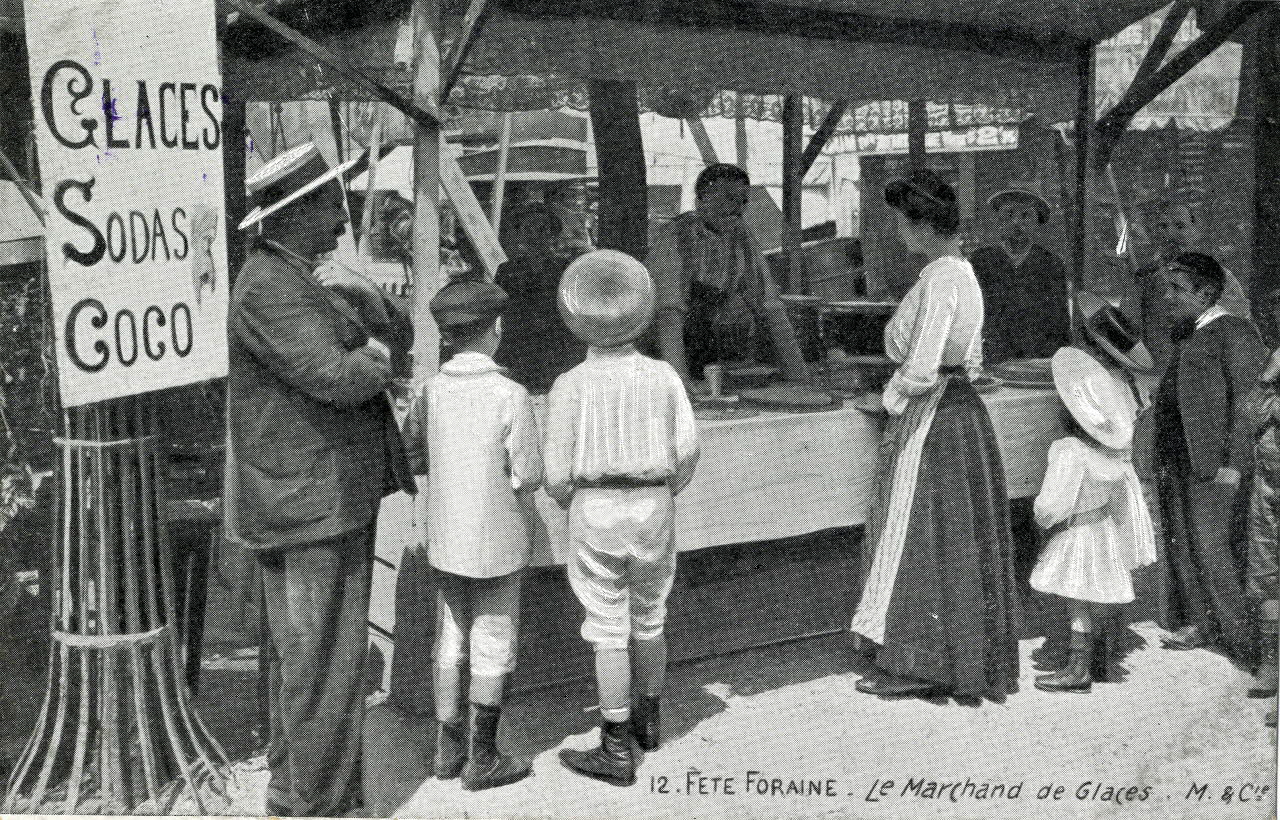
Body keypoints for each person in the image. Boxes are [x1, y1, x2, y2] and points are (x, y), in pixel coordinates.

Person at [225, 143, 414, 817]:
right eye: (329, 205)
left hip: (311, 497)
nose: (340, 220)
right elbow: (340, 375)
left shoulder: (294, 278)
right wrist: (377, 354)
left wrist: (365, 301)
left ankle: (293, 793)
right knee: (328, 663)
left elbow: (390, 329)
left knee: (305, 659)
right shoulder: (272, 286)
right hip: (311, 502)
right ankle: (325, 806)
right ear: (292, 213)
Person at [849, 169, 1021, 701]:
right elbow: (972, 356)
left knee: (917, 531)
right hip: (959, 409)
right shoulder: (961, 272)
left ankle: (920, 662)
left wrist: (887, 400)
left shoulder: (942, 278)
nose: (899, 232)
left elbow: (922, 367)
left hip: (934, 416)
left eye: (902, 222)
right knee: (945, 533)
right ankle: (946, 654)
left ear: (922, 225)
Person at [545, 250, 699, 786]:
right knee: (651, 615)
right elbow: (687, 452)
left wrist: (573, 498)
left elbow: (555, 473)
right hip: (654, 504)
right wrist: (663, 490)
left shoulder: (569, 384)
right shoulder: (664, 376)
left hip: (595, 507)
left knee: (608, 626)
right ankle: (649, 721)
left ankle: (614, 745)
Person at [401, 277, 542, 791]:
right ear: (496, 329)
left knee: (450, 637)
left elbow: (413, 454)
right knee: (492, 640)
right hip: (498, 541)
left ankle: (447, 748)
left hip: (445, 541)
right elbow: (529, 474)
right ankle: (482, 758)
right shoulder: (511, 394)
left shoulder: (430, 392)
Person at [1154, 252, 1265, 663]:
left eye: (1177, 289)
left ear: (1206, 294)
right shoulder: (1189, 332)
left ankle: (1248, 645)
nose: (1167, 297)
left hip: (1215, 466)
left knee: (1218, 551)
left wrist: (1234, 465)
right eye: (1166, 288)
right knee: (1186, 546)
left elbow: (1249, 403)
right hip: (1180, 458)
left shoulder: (1234, 331)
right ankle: (1204, 623)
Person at [1030, 347, 1157, 694]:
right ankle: (1100, 658)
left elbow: (1050, 506)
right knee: (1097, 596)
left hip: (1077, 533)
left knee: (1077, 602)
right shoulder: (1115, 458)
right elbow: (1126, 504)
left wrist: (1042, 518)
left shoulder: (1069, 452)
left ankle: (1078, 668)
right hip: (1104, 532)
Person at [646, 163, 808, 390]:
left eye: (743, 201)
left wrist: (800, 376)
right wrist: (679, 382)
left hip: (702, 351)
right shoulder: (677, 236)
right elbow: (668, 316)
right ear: (701, 201)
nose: (737, 209)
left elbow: (770, 308)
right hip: (660, 354)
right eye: (729, 198)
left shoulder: (741, 237)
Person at [1121, 197, 1252, 376]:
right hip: (1154, 377)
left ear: (1195, 231)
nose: (1170, 234)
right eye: (1163, 226)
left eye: (1180, 226)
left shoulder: (1220, 278)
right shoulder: (1145, 278)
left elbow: (1240, 335)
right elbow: (1129, 330)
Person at [494, 202, 587, 393]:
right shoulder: (507, 271)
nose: (535, 235)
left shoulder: (566, 269)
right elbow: (501, 315)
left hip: (558, 353)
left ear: (551, 234)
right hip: (521, 354)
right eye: (528, 229)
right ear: (520, 234)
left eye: (542, 229)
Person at [970, 189, 1071, 363]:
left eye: (1025, 216)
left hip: (1036, 359)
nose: (1016, 222)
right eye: (1009, 215)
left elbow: (1060, 323)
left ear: (1037, 224)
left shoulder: (1051, 264)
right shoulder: (980, 260)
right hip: (990, 358)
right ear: (999, 222)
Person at [1245, 329, 1280, 726]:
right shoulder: (1276, 360)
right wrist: (1269, 376)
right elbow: (1252, 414)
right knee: (1267, 573)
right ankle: (1271, 663)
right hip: (1270, 481)